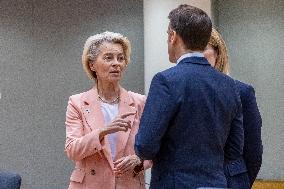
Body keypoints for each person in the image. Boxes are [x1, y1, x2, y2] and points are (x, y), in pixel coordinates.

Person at [135, 4, 244, 189]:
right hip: (216, 184)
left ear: (173, 36)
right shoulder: (230, 85)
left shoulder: (166, 81)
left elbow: (145, 146)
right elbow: (234, 149)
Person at [65, 31, 150, 189]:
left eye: (121, 58)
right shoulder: (77, 103)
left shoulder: (140, 102)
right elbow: (73, 150)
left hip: (128, 183)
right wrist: (103, 131)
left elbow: (156, 148)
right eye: (108, 57)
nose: (116, 63)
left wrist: (139, 160)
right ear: (92, 65)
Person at [203, 28, 263, 189]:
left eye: (203, 48)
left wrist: (239, 183)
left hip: (231, 180)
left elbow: (253, 151)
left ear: (217, 53)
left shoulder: (242, 92)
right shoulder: (180, 92)